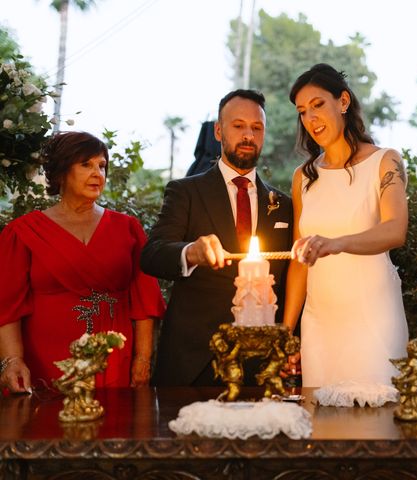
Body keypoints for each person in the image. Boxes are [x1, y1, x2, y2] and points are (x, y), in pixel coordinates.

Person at [141, 89, 293, 387]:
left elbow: (289, 281)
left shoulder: (283, 204)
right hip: (194, 358)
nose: (248, 135)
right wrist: (191, 253)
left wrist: (287, 346)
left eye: (257, 128)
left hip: (260, 363)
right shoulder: (185, 191)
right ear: (219, 131)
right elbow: (152, 254)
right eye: (238, 126)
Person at [0, 131, 166, 393]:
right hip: (45, 363)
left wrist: (143, 359)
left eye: (102, 166)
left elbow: (145, 303)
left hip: (114, 359)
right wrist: (12, 360)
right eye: (86, 165)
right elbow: (7, 307)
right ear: (61, 172)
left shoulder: (128, 229)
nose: (97, 173)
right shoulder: (22, 233)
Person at [282, 63, 409, 387]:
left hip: (373, 316)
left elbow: (395, 230)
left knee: (376, 422)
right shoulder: (304, 176)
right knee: (321, 426)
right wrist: (285, 333)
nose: (310, 118)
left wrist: (336, 243)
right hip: (320, 323)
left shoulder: (385, 161)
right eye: (302, 111)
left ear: (343, 102)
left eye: (318, 105)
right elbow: (299, 263)